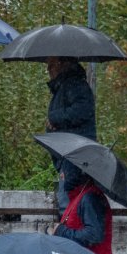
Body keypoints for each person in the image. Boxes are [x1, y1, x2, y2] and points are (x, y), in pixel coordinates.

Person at [45, 56, 97, 210]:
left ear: (63, 64)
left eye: (52, 64)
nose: (48, 69)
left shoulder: (75, 85)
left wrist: (54, 118)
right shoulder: (65, 86)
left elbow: (82, 110)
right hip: (69, 154)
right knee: (67, 199)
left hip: (74, 154)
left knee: (67, 202)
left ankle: (66, 233)